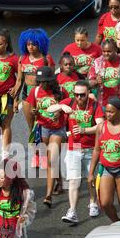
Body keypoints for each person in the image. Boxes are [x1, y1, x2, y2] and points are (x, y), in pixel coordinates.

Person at [88, 97, 120, 222]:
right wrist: (91, 173)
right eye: (106, 111)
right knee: (105, 203)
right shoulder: (101, 127)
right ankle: (118, 224)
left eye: (111, 112)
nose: (108, 114)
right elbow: (96, 149)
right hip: (106, 169)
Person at [60, 81, 104, 223]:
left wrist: (84, 130)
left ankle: (93, 203)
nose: (79, 98)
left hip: (91, 148)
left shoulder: (94, 105)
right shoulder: (70, 102)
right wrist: (61, 106)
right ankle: (72, 211)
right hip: (74, 148)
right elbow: (50, 109)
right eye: (76, 94)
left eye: (82, 95)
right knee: (73, 180)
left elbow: (101, 126)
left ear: (88, 93)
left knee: (90, 179)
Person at [26, 66, 68, 207]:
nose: (42, 84)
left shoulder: (62, 91)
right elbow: (31, 110)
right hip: (43, 129)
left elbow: (69, 107)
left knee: (51, 160)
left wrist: (61, 112)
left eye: (45, 81)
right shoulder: (35, 91)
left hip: (58, 129)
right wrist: (35, 113)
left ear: (51, 80)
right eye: (40, 81)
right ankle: (60, 184)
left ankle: (48, 195)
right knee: (52, 160)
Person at [14, 28, 55, 131]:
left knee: (42, 124)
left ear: (40, 44)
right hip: (27, 93)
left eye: (34, 44)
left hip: (42, 93)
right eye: (28, 44)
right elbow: (19, 80)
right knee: (31, 127)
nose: (30, 47)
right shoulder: (22, 59)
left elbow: (52, 80)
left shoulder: (47, 59)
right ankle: (33, 146)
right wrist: (15, 100)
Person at [0, 29, 19, 152]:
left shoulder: (13, 59)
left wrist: (16, 91)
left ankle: (6, 152)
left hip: (7, 96)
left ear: (6, 45)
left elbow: (20, 78)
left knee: (5, 124)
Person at [89, 39, 120, 109]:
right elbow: (89, 84)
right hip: (102, 103)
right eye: (104, 51)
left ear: (115, 49)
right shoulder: (97, 63)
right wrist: (96, 81)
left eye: (109, 51)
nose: (106, 53)